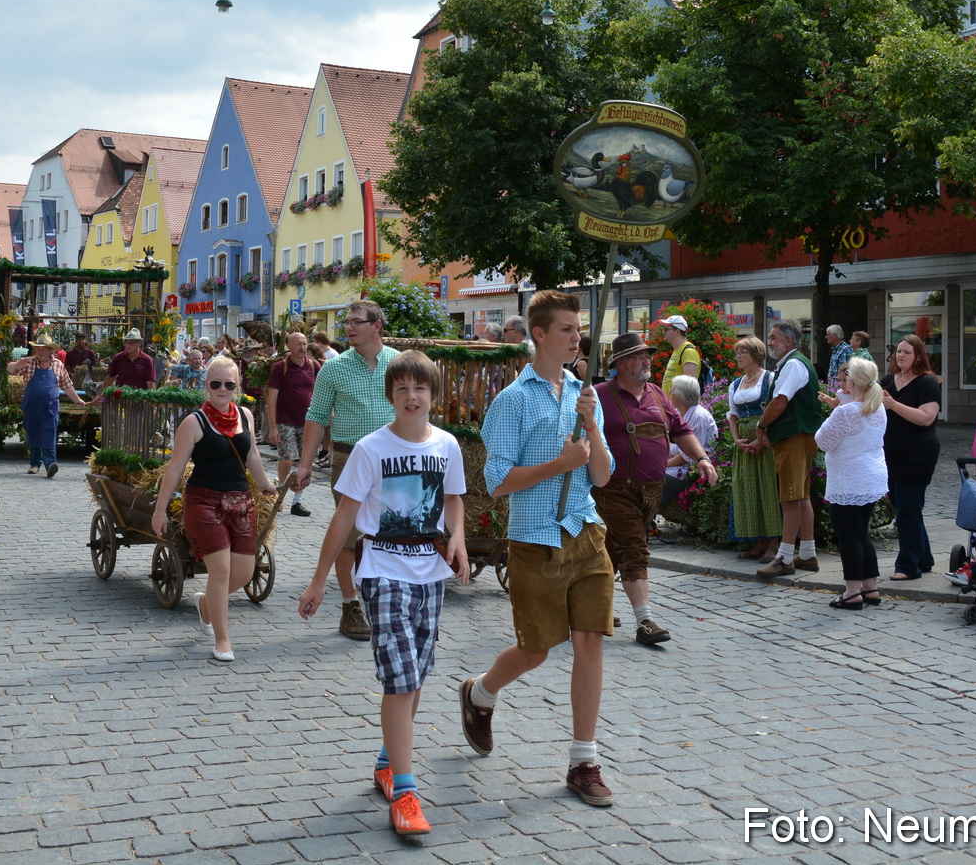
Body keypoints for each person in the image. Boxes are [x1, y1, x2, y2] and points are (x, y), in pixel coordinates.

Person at [298, 349, 468, 836]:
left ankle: (386, 759)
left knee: (415, 676)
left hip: (430, 573)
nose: (411, 398)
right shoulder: (372, 449)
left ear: (434, 395)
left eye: (420, 389)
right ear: (390, 397)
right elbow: (345, 516)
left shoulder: (447, 446)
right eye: (401, 390)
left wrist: (456, 539)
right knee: (399, 678)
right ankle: (406, 793)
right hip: (383, 569)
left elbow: (453, 499)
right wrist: (318, 580)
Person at [464, 289, 616, 807]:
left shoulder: (582, 394)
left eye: (579, 329)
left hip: (585, 530)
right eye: (568, 330)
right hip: (533, 539)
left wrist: (592, 425)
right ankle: (480, 693)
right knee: (536, 649)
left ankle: (583, 760)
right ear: (540, 336)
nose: (577, 338)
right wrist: (561, 462)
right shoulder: (512, 401)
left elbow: (601, 474)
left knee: (590, 641)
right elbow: (498, 481)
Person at [152, 356, 278, 662]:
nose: (222, 389)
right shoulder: (194, 422)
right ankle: (222, 639)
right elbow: (174, 468)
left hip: (240, 502)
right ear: (206, 385)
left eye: (229, 384)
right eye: (216, 383)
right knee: (220, 570)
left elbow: (253, 458)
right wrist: (159, 510)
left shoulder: (245, 415)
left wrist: (266, 484)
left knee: (244, 573)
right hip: (204, 501)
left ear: (237, 387)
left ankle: (206, 604)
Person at [596, 332, 716, 645]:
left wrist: (701, 458)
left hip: (651, 491)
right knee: (636, 550)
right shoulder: (599, 396)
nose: (647, 359)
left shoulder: (658, 395)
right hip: (614, 489)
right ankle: (645, 621)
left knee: (612, 548)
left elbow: (681, 431)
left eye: (648, 354)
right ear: (621, 364)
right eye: (639, 356)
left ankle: (595, 605)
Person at [295, 300, 398, 641]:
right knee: (350, 537)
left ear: (377, 325)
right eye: (347, 322)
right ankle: (351, 605)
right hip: (349, 458)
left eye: (357, 322)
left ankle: (389, 599)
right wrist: (306, 464)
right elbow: (316, 417)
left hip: (393, 461)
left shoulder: (398, 363)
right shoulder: (334, 369)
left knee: (391, 534)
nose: (349, 328)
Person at [815, 357, 888, 609]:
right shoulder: (877, 408)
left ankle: (852, 592)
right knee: (860, 533)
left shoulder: (846, 412)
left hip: (849, 480)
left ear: (853, 381)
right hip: (871, 478)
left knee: (848, 536)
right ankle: (870, 587)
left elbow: (822, 441)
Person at [753, 321, 822, 579]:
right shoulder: (797, 363)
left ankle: (783, 558)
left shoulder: (793, 365)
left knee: (790, 498)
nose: (769, 342)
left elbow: (780, 402)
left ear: (788, 341)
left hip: (794, 437)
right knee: (801, 496)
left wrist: (761, 426)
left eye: (773, 338)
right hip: (801, 435)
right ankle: (807, 553)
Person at [879, 334, 943, 582]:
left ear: (918, 355)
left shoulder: (927, 382)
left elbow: (926, 417)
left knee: (908, 508)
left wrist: (894, 405)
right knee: (905, 507)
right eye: (898, 351)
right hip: (891, 453)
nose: (901, 355)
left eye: (906, 352)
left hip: (918, 454)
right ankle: (923, 558)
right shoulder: (887, 381)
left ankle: (908, 566)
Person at [726, 337, 781, 563]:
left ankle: (774, 542)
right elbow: (732, 414)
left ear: (756, 355)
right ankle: (758, 541)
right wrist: (736, 439)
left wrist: (762, 437)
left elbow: (777, 409)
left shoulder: (770, 378)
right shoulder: (735, 384)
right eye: (737, 353)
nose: (738, 356)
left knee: (768, 488)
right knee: (747, 489)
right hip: (744, 443)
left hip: (765, 440)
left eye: (742, 352)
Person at [8, 334, 86, 477]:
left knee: (49, 432)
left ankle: (50, 463)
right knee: (33, 433)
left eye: (44, 349)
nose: (40, 351)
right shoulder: (28, 362)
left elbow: (67, 386)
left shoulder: (58, 365)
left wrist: (77, 400)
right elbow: (10, 370)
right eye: (38, 348)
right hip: (32, 405)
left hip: (50, 405)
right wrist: (16, 365)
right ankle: (35, 464)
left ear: (51, 350)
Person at [265, 330, 317, 515]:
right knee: (287, 458)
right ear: (288, 346)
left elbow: (321, 391)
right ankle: (279, 495)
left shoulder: (313, 365)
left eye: (304, 344)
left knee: (305, 462)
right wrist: (272, 427)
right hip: (285, 420)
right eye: (298, 344)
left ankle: (297, 502)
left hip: (309, 422)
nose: (303, 347)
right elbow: (272, 398)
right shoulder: (281, 367)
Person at [664, 374, 717, 506]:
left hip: (688, 469)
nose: (670, 392)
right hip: (676, 464)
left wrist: (664, 465)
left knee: (653, 480)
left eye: (673, 390)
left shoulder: (698, 416)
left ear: (680, 396)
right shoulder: (680, 413)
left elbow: (687, 456)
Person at [659, 316, 701, 399]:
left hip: (679, 408)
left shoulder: (688, 351)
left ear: (677, 331)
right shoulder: (678, 350)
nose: (663, 332)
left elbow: (689, 387)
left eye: (666, 329)